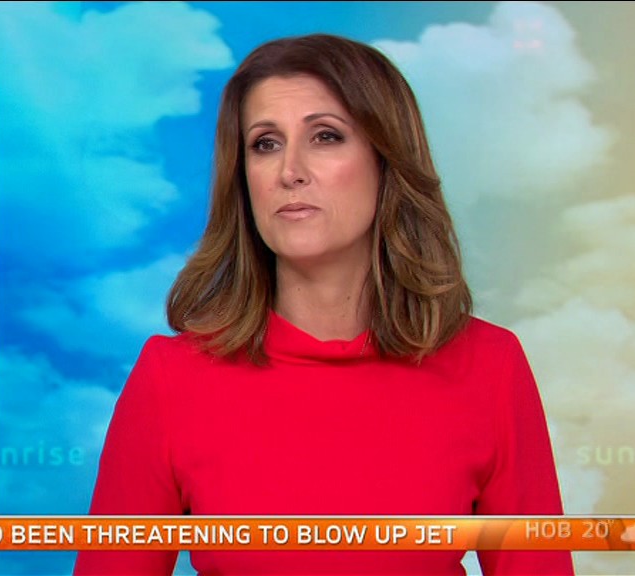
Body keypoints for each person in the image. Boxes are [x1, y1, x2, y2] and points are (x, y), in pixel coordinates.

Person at [74, 34, 573, 576]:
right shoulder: (171, 380)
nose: (290, 171)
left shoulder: (490, 367)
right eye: (265, 144)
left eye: (325, 136)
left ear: (386, 161)